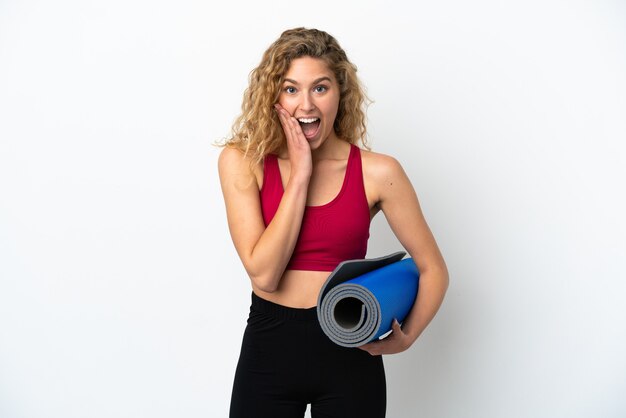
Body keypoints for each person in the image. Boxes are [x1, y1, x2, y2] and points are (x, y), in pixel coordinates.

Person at [218, 27, 448, 418]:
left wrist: (405, 339)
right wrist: (301, 175)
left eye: (320, 88)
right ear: (273, 96)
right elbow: (265, 275)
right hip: (269, 348)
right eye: (291, 89)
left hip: (350, 349)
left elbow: (433, 269)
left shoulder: (379, 172)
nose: (305, 104)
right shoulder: (243, 161)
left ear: (340, 93)